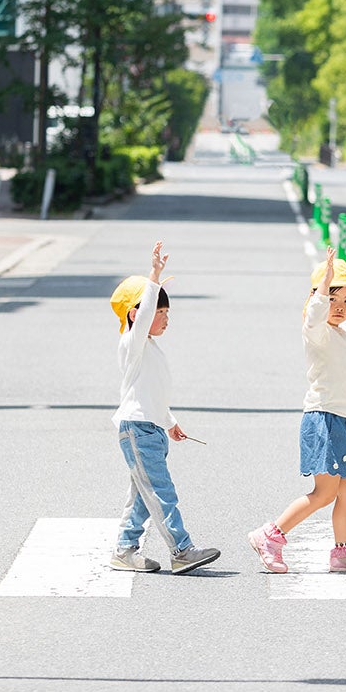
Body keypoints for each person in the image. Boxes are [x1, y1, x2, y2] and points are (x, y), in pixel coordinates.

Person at [248, 245, 346, 574]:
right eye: (332, 299)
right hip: (324, 419)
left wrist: (326, 289)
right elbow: (314, 314)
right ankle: (270, 535)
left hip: (344, 421)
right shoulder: (317, 330)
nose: (340, 307)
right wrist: (323, 284)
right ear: (317, 299)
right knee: (325, 492)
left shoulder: (338, 333)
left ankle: (343, 552)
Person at [109, 241, 220, 575]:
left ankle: (125, 551)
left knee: (144, 496)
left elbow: (153, 393)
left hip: (152, 429)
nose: (165, 319)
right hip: (137, 429)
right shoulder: (133, 342)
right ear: (136, 314)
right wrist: (153, 275)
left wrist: (169, 422)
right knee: (160, 491)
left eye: (166, 312)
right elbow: (141, 318)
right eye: (160, 312)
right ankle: (182, 549)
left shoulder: (151, 349)